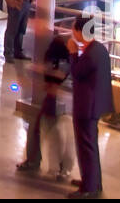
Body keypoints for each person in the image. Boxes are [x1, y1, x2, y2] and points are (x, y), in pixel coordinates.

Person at [15, 32, 75, 181]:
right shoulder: (57, 50)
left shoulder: (61, 52)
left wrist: (46, 75)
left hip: (60, 101)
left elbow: (61, 74)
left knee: (58, 135)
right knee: (43, 131)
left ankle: (59, 168)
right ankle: (49, 165)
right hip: (51, 99)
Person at [66, 14, 113, 198]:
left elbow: (77, 72)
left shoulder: (90, 54)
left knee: (86, 147)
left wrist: (72, 53)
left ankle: (89, 188)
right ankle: (92, 181)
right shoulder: (99, 49)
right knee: (90, 145)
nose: (72, 32)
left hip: (87, 107)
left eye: (73, 28)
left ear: (79, 31)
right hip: (94, 105)